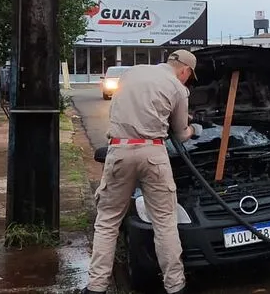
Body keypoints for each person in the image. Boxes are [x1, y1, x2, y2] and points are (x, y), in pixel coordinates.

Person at [82, 50, 202, 294]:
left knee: (107, 222)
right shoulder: (178, 88)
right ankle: (175, 286)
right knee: (165, 223)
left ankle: (96, 287)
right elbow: (179, 134)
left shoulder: (131, 73)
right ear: (185, 70)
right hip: (153, 154)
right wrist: (194, 128)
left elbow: (131, 105)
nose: (187, 80)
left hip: (119, 150)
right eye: (189, 76)